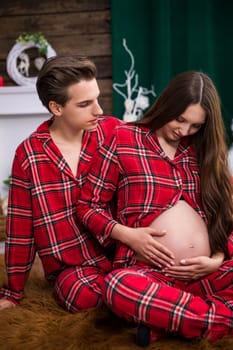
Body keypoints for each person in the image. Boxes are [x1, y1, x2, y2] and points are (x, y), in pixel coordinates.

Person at [76, 71, 233, 345]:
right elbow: (88, 206)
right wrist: (128, 235)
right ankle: (216, 319)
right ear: (167, 106)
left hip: (206, 274)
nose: (184, 131)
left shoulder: (202, 151)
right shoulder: (124, 139)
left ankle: (170, 322)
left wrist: (216, 259)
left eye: (195, 126)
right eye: (180, 119)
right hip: (149, 275)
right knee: (117, 287)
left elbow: (225, 217)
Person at [0, 55, 122, 313]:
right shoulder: (29, 155)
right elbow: (20, 229)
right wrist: (13, 291)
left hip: (123, 250)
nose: (99, 110)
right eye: (85, 104)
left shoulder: (114, 132)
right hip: (74, 270)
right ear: (57, 108)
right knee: (81, 296)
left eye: (97, 99)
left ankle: (133, 293)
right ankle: (138, 298)